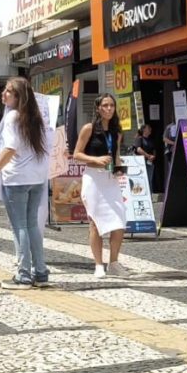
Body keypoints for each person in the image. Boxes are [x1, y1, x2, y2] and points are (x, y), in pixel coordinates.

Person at [0, 77, 53, 289]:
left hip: (17, 178)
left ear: (19, 97)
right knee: (32, 224)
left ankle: (24, 274)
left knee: (20, 227)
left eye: (8, 91)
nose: (3, 94)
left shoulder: (12, 117)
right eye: (4, 90)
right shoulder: (36, 117)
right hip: (37, 178)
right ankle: (41, 272)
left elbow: (10, 148)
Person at [74, 94, 128, 278]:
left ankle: (113, 262)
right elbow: (77, 154)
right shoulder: (89, 129)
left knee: (119, 222)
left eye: (112, 105)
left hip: (110, 179)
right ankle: (98, 264)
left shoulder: (116, 131)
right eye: (105, 105)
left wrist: (119, 169)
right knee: (96, 223)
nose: (109, 109)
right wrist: (95, 159)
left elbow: (117, 154)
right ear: (98, 108)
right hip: (93, 178)